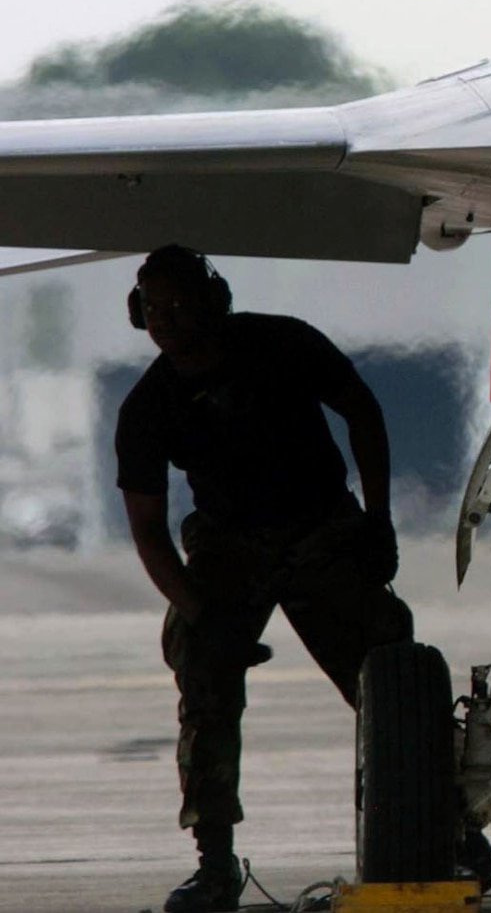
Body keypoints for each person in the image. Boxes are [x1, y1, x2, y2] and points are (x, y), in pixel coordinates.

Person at [117, 245, 411, 913]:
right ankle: (214, 862)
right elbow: (148, 530)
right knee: (203, 680)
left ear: (213, 300)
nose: (164, 319)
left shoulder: (282, 342)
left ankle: (450, 826)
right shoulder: (148, 407)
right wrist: (199, 611)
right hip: (229, 546)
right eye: (152, 307)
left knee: (390, 683)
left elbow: (362, 412)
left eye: (179, 303)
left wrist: (377, 520)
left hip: (322, 528)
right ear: (138, 313)